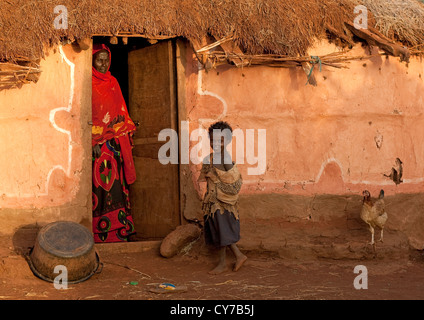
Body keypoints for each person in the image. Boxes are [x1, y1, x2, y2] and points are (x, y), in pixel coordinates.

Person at [91, 43, 137, 243]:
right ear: (92, 61)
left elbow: (121, 110)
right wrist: (93, 138)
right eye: (99, 60)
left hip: (114, 144)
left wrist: (121, 125)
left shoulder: (113, 82)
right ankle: (99, 233)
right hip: (97, 145)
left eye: (106, 60)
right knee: (98, 188)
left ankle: (120, 231)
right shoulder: (88, 83)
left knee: (117, 186)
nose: (103, 64)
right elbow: (88, 114)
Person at [198, 121, 247, 274]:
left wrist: (216, 178)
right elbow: (205, 178)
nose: (214, 143)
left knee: (223, 233)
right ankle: (238, 256)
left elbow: (235, 184)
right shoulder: (213, 157)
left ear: (227, 140)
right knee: (220, 232)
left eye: (219, 140)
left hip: (223, 204)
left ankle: (222, 264)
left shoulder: (225, 158)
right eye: (212, 140)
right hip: (213, 202)